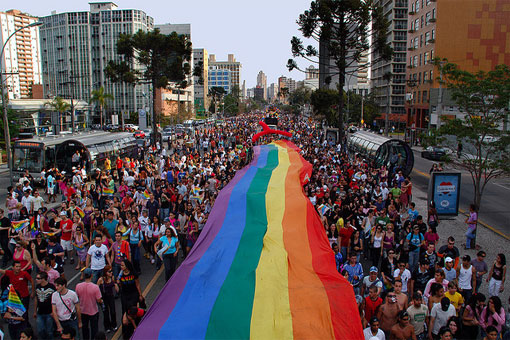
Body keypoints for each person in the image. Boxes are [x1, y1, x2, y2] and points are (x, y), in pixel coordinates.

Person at [75, 268, 103, 340]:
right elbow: (99, 299)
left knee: (85, 328)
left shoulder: (78, 286)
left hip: (83, 310)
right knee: (94, 328)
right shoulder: (95, 287)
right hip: (93, 311)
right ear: (91, 275)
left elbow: (76, 297)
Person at [34, 271, 56, 340]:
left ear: (43, 279)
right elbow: (36, 299)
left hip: (49, 312)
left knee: (49, 331)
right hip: (40, 312)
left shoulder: (51, 287)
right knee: (40, 330)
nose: (36, 280)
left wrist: (54, 311)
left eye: (38, 278)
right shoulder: (37, 287)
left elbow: (55, 300)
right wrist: (35, 311)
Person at [97, 265, 119, 333]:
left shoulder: (112, 278)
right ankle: (107, 326)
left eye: (111, 271)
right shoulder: (101, 279)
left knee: (113, 311)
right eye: (109, 271)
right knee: (105, 312)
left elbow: (117, 289)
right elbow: (96, 288)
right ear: (106, 272)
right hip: (104, 297)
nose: (111, 273)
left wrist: (115, 284)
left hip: (110, 296)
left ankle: (114, 325)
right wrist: (99, 298)